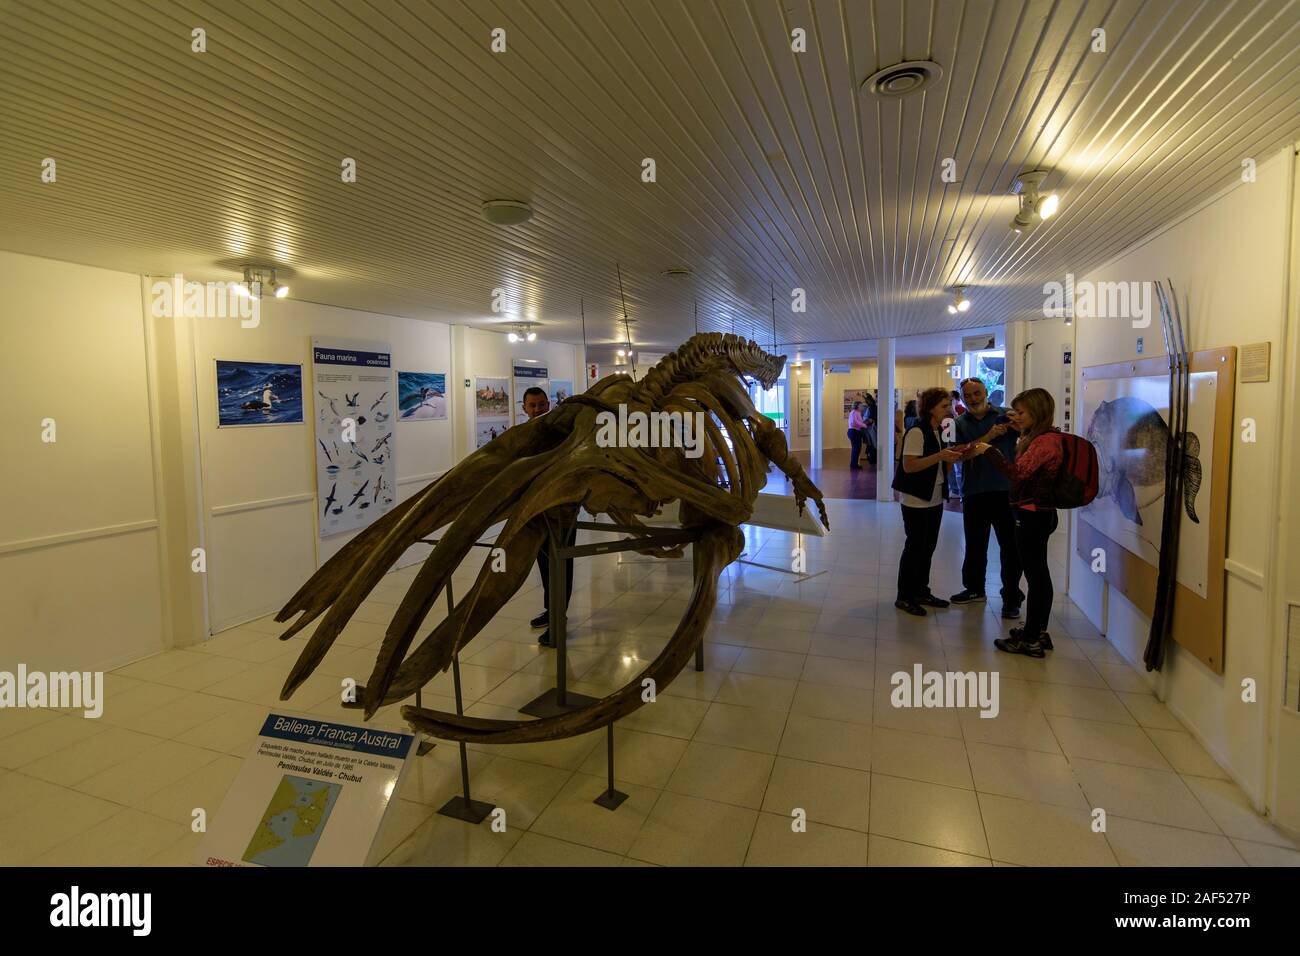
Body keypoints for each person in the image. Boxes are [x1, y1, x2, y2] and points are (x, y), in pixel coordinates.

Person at [969, 388, 1062, 657]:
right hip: (1035, 512)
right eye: (1015, 412)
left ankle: (1031, 639)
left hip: (1033, 515)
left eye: (1021, 412)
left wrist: (989, 451)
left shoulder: (1044, 442)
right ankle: (1037, 631)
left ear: (1037, 412)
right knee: (1038, 574)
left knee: (1036, 576)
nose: (1016, 417)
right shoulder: (1040, 437)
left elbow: (1017, 473)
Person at [951, 378, 1024, 618]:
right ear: (962, 398)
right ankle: (974, 589)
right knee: (975, 545)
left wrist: (1021, 426)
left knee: (1011, 547)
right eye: (968, 395)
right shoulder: (959, 423)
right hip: (974, 492)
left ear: (986, 392)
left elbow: (1029, 434)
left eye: (977, 393)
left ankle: (1011, 598)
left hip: (1006, 492)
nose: (973, 398)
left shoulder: (1007, 415)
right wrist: (990, 436)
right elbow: (958, 455)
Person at [892, 387, 963, 616]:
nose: (949, 409)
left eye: (949, 405)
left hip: (934, 497)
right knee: (914, 547)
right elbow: (909, 466)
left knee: (928, 547)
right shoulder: (917, 431)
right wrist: (941, 456)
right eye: (944, 406)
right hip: (916, 500)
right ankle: (904, 596)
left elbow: (944, 463)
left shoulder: (941, 431)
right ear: (930, 408)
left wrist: (953, 456)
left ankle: (921, 591)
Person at [521, 386, 576, 647]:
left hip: (562, 511)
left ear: (549, 405)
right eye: (532, 405)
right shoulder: (525, 435)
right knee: (544, 563)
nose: (537, 410)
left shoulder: (561, 434)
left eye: (542, 405)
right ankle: (550, 609)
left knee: (561, 563)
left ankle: (558, 619)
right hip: (538, 510)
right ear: (524, 408)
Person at [847, 401, 867, 469]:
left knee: (857, 449)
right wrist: (864, 425)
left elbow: (858, 422)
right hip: (853, 431)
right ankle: (853, 465)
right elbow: (854, 422)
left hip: (856, 432)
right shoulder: (854, 412)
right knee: (856, 449)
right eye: (861, 405)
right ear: (857, 406)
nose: (862, 407)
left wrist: (863, 424)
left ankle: (854, 464)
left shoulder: (858, 413)